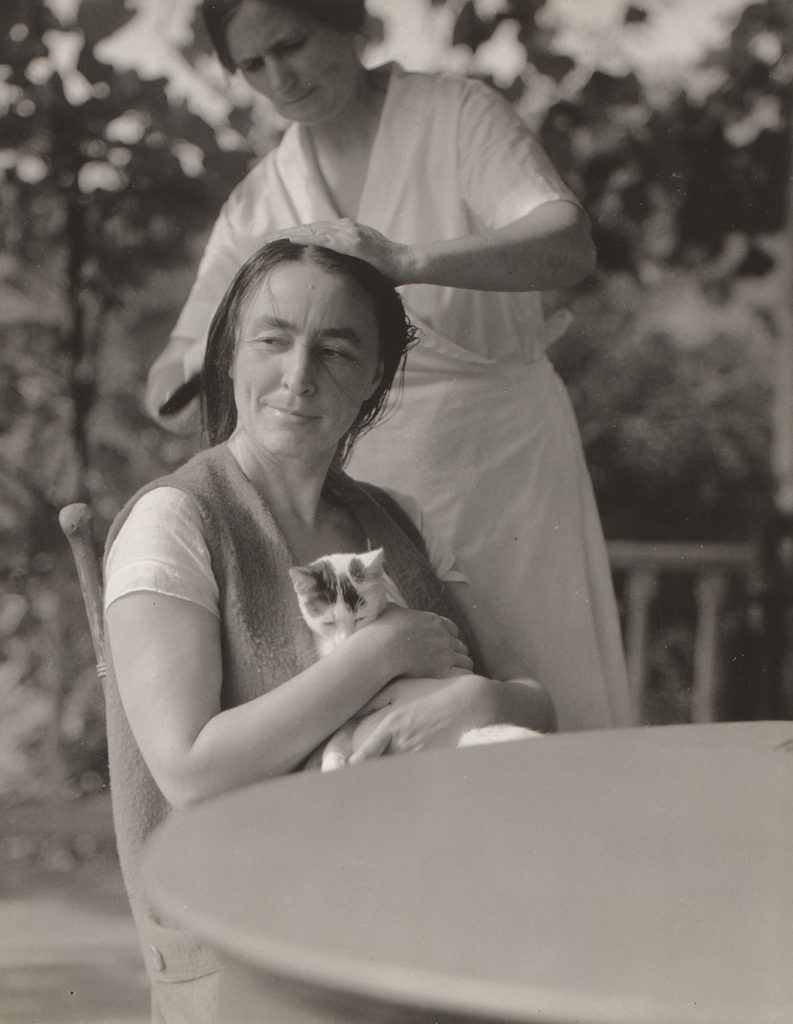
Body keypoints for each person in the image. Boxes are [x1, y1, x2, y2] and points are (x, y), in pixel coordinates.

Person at [144, 0, 633, 732]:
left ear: (348, 23)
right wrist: (243, 343)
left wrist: (405, 262)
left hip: (501, 463)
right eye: (252, 64)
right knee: (405, 713)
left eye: (292, 43)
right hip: (368, 490)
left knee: (542, 689)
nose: (280, 76)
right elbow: (167, 388)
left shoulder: (452, 113)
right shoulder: (261, 201)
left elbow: (566, 243)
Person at [105, 239, 555, 1022]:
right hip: (251, 953)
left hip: (417, 924)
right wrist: (383, 651)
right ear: (231, 354)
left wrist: (473, 704)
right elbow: (189, 770)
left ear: (375, 376)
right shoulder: (177, 521)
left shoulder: (399, 523)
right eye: (272, 339)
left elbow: (536, 703)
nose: (298, 375)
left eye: (337, 349)